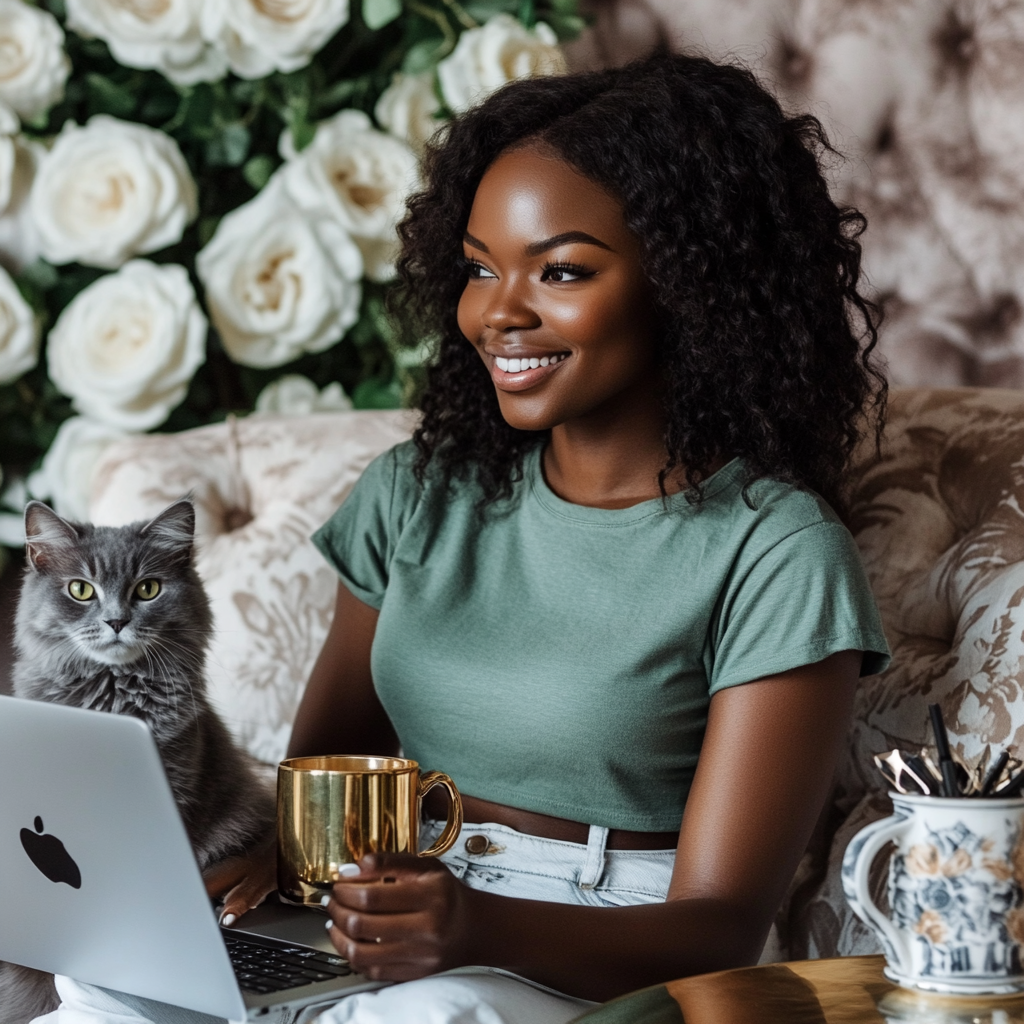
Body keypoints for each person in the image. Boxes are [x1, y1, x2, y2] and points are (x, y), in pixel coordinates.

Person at [40, 52, 890, 1024]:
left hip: (604, 949)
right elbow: (327, 784)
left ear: (691, 283)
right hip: (384, 911)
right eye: (480, 267)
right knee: (101, 1002)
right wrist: (256, 871)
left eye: (560, 270)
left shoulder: (774, 552)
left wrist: (476, 926)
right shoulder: (416, 495)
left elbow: (720, 926)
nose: (498, 312)